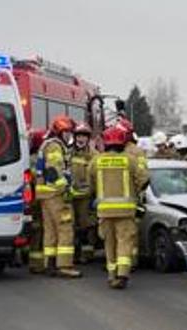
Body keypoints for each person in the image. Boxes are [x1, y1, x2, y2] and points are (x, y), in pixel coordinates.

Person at [93, 121, 150, 288]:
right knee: (124, 241)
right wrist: (136, 190)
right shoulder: (130, 160)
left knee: (109, 243)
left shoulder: (97, 161)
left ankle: (111, 275)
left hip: (104, 212)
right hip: (125, 211)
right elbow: (144, 179)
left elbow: (90, 181)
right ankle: (123, 274)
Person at [30, 115, 82, 277]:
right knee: (65, 228)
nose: (69, 136)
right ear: (59, 133)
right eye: (66, 133)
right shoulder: (55, 146)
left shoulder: (48, 144)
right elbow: (54, 172)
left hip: (46, 195)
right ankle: (64, 266)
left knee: (50, 230)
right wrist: (66, 189)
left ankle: (50, 263)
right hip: (56, 195)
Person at [68, 121, 98, 264]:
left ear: (88, 138)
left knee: (87, 225)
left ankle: (87, 253)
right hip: (71, 196)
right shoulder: (68, 152)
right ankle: (75, 252)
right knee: (71, 225)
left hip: (87, 196)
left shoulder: (94, 154)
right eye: (79, 136)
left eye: (84, 136)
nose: (81, 139)